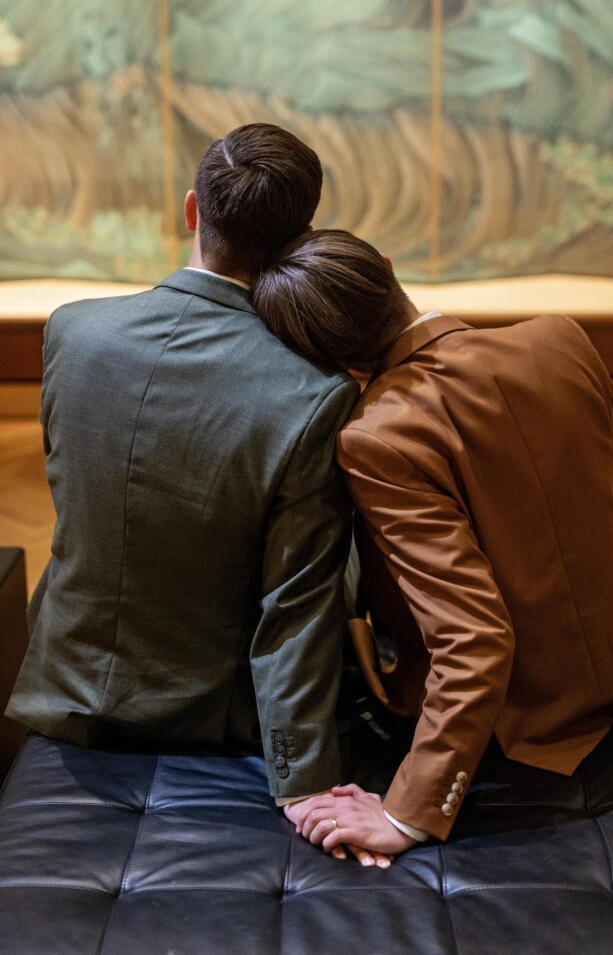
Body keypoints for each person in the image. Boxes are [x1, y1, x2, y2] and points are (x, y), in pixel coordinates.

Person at [251, 228, 613, 857]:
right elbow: (595, 497)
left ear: (328, 360)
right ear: (390, 269)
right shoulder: (561, 339)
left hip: (527, 722)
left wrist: (407, 814)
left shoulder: (378, 436)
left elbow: (475, 635)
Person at [6, 125, 367, 849]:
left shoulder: (72, 332)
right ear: (301, 236)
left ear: (191, 211)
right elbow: (293, 605)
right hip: (211, 716)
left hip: (61, 686)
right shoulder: (313, 392)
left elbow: (76, 490)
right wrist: (301, 782)